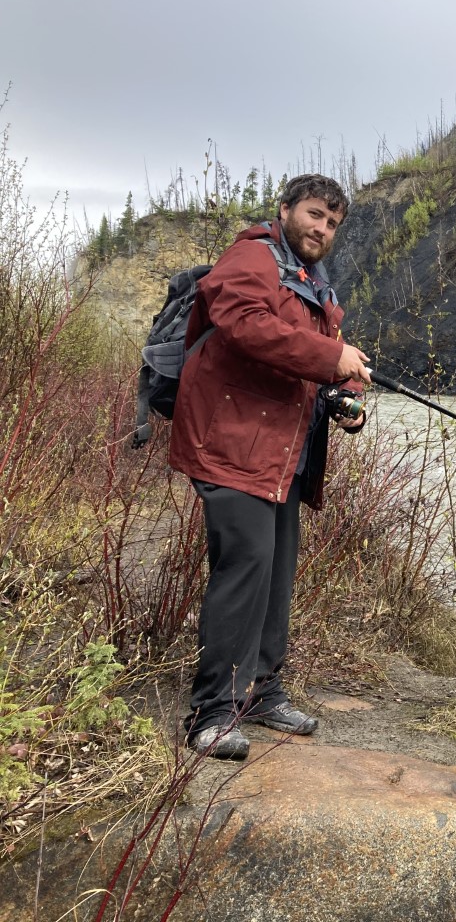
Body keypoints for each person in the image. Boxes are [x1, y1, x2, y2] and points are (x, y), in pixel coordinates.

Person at [169, 174, 371, 760]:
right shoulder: (251, 257)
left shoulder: (316, 287)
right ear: (285, 210)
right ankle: (212, 713)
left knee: (276, 573)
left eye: (332, 224)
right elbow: (245, 324)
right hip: (232, 446)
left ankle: (260, 691)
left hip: (282, 455)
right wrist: (333, 355)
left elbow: (312, 369)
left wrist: (345, 400)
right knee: (246, 568)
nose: (322, 229)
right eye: (314, 215)